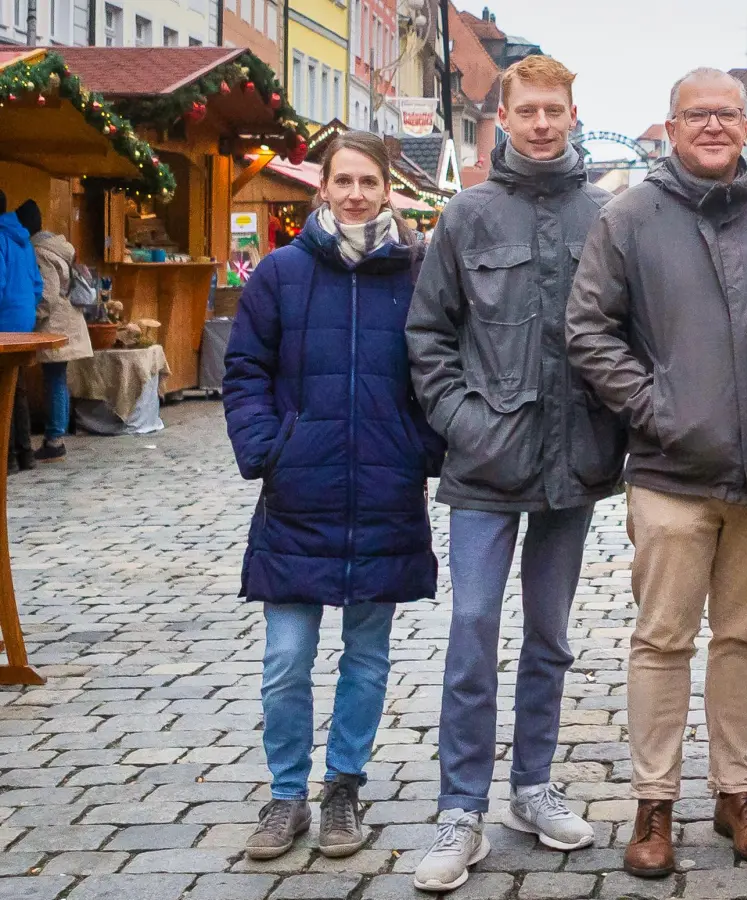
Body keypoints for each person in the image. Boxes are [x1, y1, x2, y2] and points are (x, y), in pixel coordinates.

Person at [567, 66, 747, 878]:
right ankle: (654, 802)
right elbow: (589, 328)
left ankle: (737, 792)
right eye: (695, 114)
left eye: (727, 114)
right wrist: (657, 407)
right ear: (670, 128)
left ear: (746, 126)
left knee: (746, 638)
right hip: (671, 472)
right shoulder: (631, 214)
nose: (713, 125)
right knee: (662, 640)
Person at [406, 55, 623, 893]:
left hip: (575, 463)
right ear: (505, 115)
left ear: (574, 113)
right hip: (485, 466)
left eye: (553, 109)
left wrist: (612, 433)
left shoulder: (605, 215)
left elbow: (624, 331)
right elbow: (428, 337)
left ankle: (532, 788)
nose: (540, 122)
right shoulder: (466, 215)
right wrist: (467, 422)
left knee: (551, 637)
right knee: (470, 632)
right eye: (526, 109)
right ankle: (462, 807)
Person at [223, 131, 442, 864]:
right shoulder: (282, 274)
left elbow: (442, 367)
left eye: (367, 182)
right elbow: (245, 368)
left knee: (368, 656)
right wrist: (267, 448)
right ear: (324, 188)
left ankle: (343, 785)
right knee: (287, 657)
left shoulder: (416, 274)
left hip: (385, 487)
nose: (355, 194)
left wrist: (424, 447)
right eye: (343, 181)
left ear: (387, 190)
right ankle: (286, 794)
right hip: (299, 491)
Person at [15, 199, 93, 464]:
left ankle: (54, 440)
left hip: (56, 323)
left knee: (55, 379)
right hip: (69, 319)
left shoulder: (39, 252)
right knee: (58, 379)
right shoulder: (59, 246)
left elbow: (46, 295)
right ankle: (57, 433)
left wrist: (30, 319)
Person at [0, 190, 42, 474]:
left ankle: (8, 456)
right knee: (19, 386)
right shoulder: (25, 241)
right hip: (25, 316)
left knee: (3, 387)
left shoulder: (1, 237)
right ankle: (25, 452)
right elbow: (38, 284)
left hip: (3, 318)